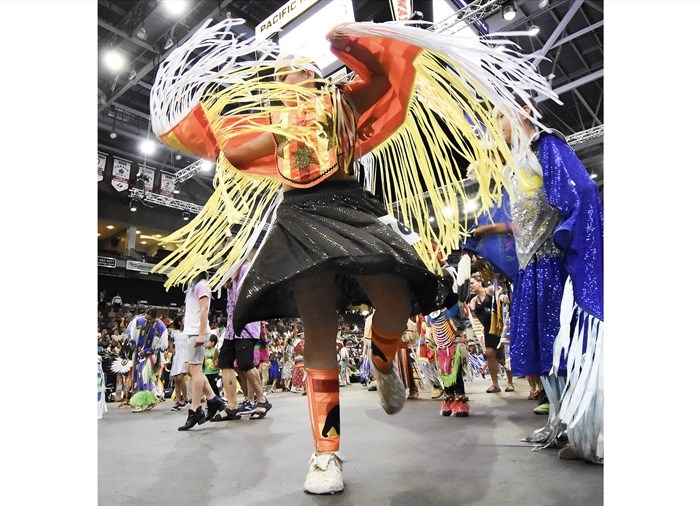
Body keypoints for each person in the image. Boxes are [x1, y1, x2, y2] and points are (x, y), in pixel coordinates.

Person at [150, 17, 557, 494]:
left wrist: (355, 50)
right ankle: (326, 455)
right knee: (318, 327)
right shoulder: (276, 123)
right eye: (280, 76)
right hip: (298, 219)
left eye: (296, 71)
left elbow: (383, 81)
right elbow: (235, 156)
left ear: (315, 75)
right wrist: (229, 129)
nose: (288, 77)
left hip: (351, 208)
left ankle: (384, 362)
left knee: (396, 301)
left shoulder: (341, 101)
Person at [470, 98, 604, 463]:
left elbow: (584, 192)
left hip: (555, 269)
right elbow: (525, 220)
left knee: (564, 349)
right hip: (533, 270)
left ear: (521, 111)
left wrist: (567, 231)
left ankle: (585, 430)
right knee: (546, 351)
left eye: (500, 115)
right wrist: (490, 230)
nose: (496, 124)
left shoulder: (547, 145)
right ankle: (562, 422)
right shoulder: (520, 164)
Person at [213, 258, 271, 422]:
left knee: (245, 363)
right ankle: (232, 406)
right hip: (232, 328)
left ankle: (262, 400)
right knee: (224, 361)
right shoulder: (231, 272)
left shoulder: (246, 268)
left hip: (245, 324)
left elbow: (251, 296)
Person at [178, 271, 227, 431]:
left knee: (196, 370)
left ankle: (195, 409)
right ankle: (213, 400)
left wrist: (200, 334)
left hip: (197, 333)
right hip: (192, 332)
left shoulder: (202, 285)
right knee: (192, 370)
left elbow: (205, 309)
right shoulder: (194, 287)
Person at [468, 276, 513, 393]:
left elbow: (500, 291)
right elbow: (479, 318)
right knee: (489, 354)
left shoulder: (489, 290)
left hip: (499, 327)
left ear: (479, 282)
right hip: (488, 329)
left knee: (502, 355)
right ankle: (495, 384)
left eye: (472, 283)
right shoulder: (473, 301)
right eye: (469, 285)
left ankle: (510, 382)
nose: (470, 286)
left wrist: (502, 296)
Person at [127, 308, 168, 412]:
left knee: (143, 373)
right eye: (146, 318)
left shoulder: (161, 327)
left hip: (152, 354)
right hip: (138, 352)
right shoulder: (138, 321)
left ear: (155, 318)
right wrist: (132, 344)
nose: (147, 321)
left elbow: (163, 346)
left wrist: (148, 350)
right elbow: (129, 332)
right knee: (137, 375)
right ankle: (150, 400)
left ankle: (141, 402)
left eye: (149, 319)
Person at [168, 315, 189, 411]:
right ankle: (178, 400)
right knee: (176, 380)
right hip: (177, 357)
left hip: (186, 356)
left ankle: (185, 399)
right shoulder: (174, 332)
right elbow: (170, 342)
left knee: (181, 378)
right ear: (180, 322)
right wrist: (172, 350)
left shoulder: (188, 331)